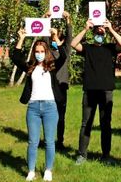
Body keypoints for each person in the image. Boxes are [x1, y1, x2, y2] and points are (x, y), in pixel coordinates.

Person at [10, 26, 68, 181]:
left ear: (46, 52)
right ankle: (31, 171)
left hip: (50, 107)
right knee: (32, 141)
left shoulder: (53, 66)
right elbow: (15, 57)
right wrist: (21, 38)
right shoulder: (30, 67)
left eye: (42, 51)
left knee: (49, 141)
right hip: (33, 108)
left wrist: (55, 37)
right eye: (37, 51)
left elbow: (64, 55)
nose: (39, 54)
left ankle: (48, 170)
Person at [70, 17, 121, 164]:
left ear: (105, 35)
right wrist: (85, 28)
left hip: (106, 92)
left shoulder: (110, 48)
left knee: (105, 124)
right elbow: (73, 44)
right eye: (97, 32)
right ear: (93, 33)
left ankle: (106, 156)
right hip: (89, 91)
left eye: (102, 33)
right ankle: (82, 155)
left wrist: (111, 29)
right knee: (86, 123)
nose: (100, 34)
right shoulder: (87, 48)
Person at [49, 12, 73, 151]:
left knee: (61, 117)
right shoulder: (48, 51)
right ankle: (49, 140)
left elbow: (69, 37)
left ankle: (60, 141)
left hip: (62, 86)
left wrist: (68, 20)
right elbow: (44, 39)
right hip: (49, 87)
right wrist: (47, 19)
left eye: (56, 35)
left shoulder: (65, 50)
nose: (54, 38)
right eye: (52, 36)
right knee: (48, 116)